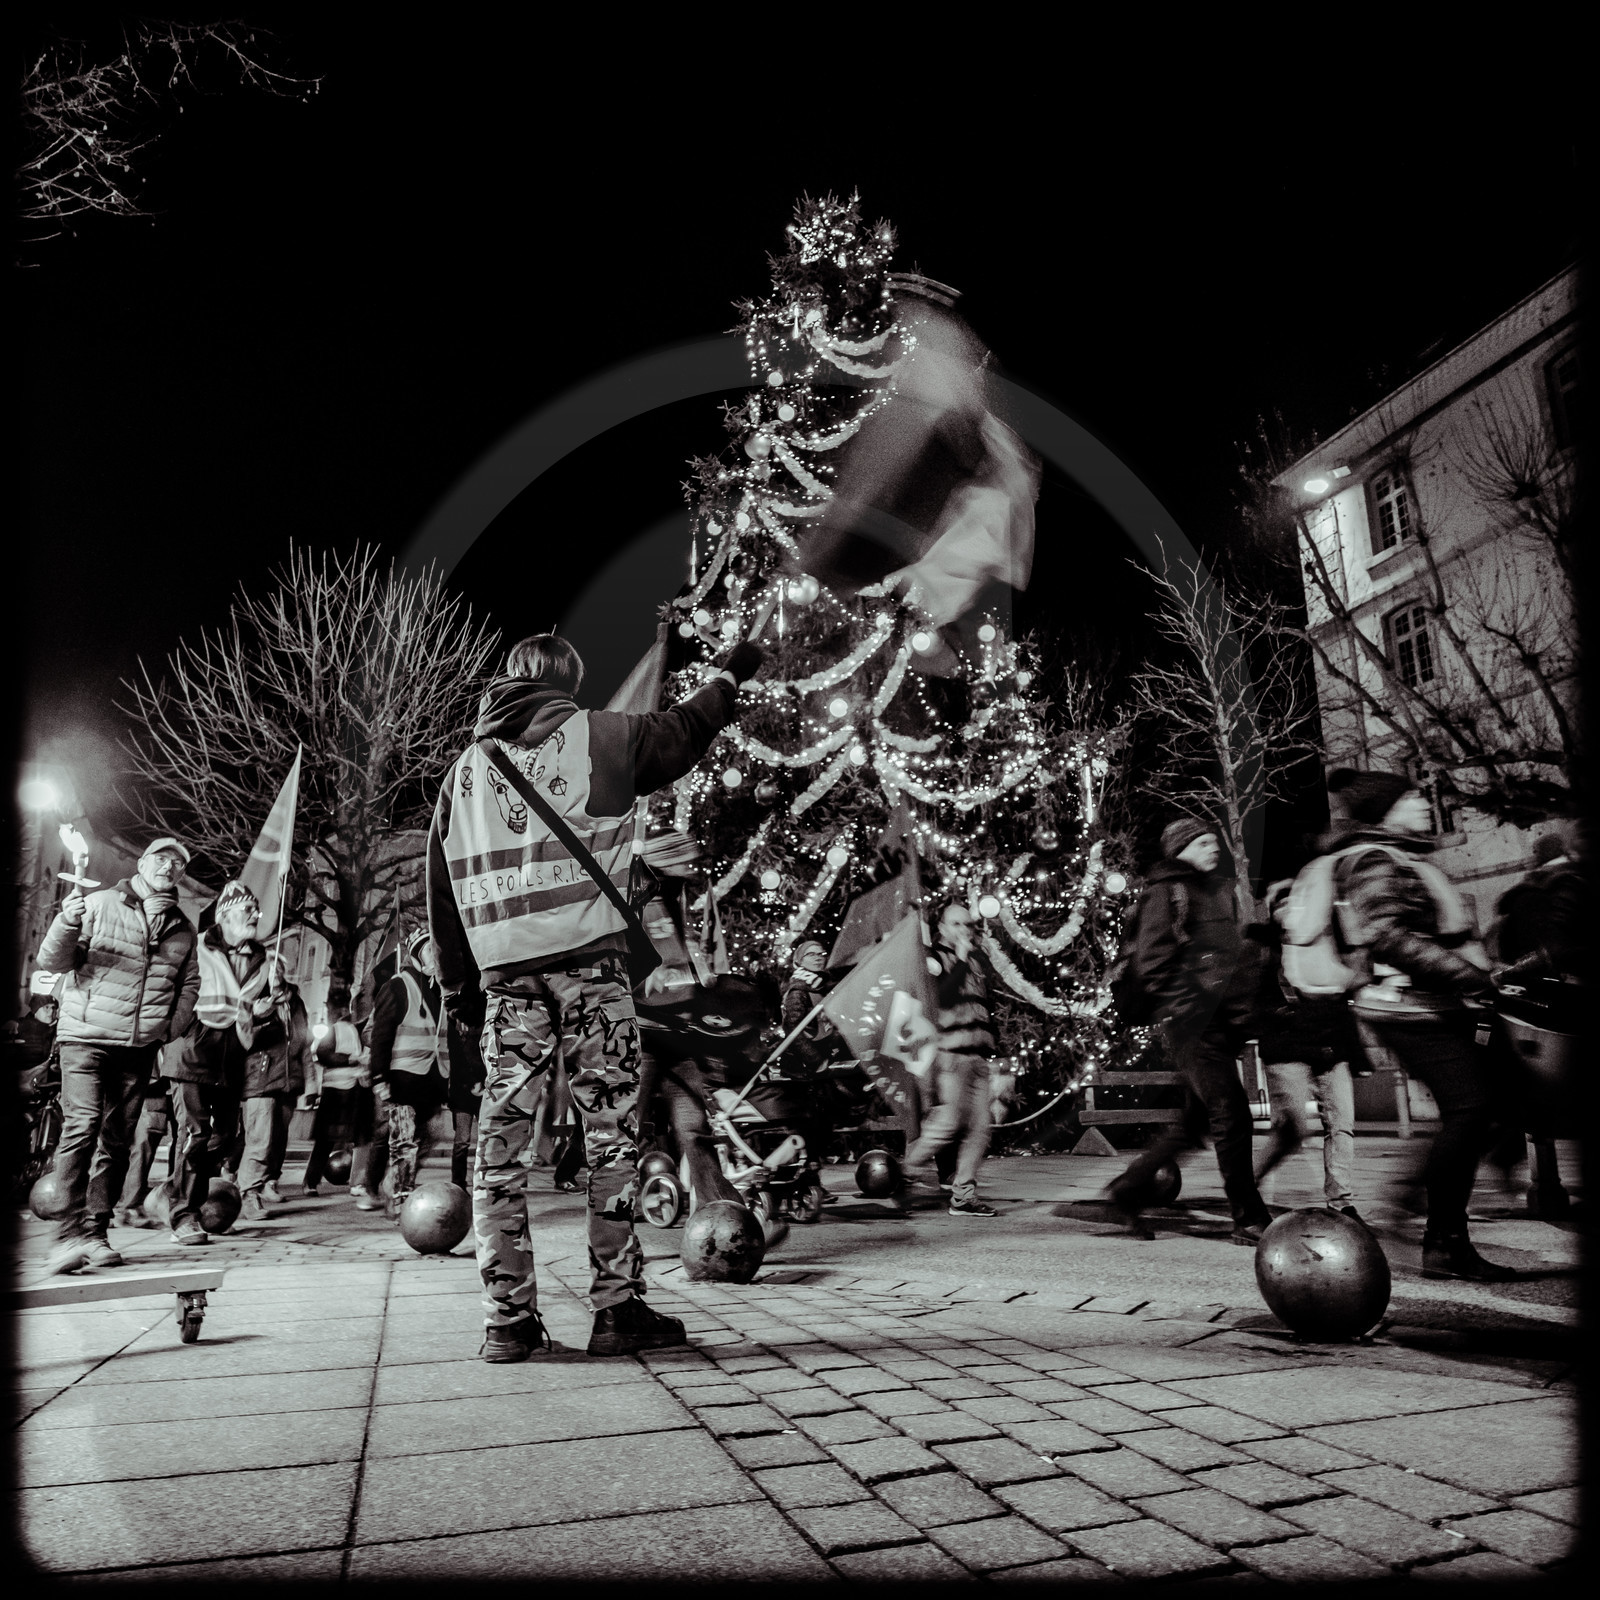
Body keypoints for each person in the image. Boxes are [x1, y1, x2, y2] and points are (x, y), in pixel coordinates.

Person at [428, 631, 761, 1361]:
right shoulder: (597, 737)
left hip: (506, 982)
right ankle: (616, 1310)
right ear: (569, 682)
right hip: (590, 973)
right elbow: (685, 731)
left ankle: (506, 1320)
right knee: (610, 1139)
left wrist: (461, 997)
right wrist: (733, 673)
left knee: (500, 1149)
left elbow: (442, 898)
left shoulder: (465, 771)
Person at [1326, 768, 1512, 1281]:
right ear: (1387, 809)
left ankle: (1420, 1216)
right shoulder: (1373, 860)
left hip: (1431, 1002)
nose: (1424, 804)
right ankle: (1439, 1238)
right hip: (1407, 1007)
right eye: (1412, 798)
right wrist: (1471, 977)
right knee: (1472, 1107)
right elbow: (1387, 935)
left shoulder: (1397, 857)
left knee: (1478, 1107)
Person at [35, 837, 200, 1274]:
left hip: (138, 1047)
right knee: (82, 1125)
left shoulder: (183, 926)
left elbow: (189, 985)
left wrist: (168, 1028)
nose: (169, 867)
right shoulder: (99, 904)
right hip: (86, 1037)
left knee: (117, 1141)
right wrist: (66, 924)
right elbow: (54, 960)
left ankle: (95, 1230)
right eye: (162, 859)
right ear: (143, 864)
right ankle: (66, 1234)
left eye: (177, 863)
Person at [1108, 820, 1273, 1244]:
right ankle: (1248, 1216)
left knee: (1194, 1123)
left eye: (1215, 841)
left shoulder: (1211, 890)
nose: (1213, 848)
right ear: (1180, 848)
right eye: (1203, 842)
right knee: (1231, 1112)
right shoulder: (1166, 890)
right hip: (1194, 1023)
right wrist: (1190, 1007)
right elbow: (1153, 962)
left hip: (1220, 1023)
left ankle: (1128, 1190)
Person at [160, 880, 274, 1247]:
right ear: (224, 916)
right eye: (246, 911)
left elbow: (243, 1007)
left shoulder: (263, 958)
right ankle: (184, 1216)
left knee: (224, 1137)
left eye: (255, 911)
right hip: (191, 1051)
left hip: (230, 1056)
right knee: (194, 1134)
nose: (254, 916)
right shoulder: (199, 946)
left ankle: (174, 1191)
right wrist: (178, 1031)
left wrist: (259, 1014)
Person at [1247, 880, 1363, 1220]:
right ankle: (1247, 1187)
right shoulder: (1261, 946)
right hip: (1286, 1048)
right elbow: (1252, 998)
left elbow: (1344, 998)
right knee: (1295, 1129)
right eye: (1281, 905)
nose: (1289, 910)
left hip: (1329, 1045)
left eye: (1294, 903)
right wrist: (1281, 1017)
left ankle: (1341, 1201)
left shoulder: (1324, 943)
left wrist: (1357, 1052)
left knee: (1341, 1122)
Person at [901, 901, 1000, 1218]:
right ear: (942, 927)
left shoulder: (974, 962)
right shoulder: (933, 959)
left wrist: (1000, 1054)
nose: (964, 931)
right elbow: (941, 999)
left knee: (981, 1129)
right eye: (956, 924)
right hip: (951, 1057)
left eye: (968, 925)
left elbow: (985, 1009)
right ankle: (906, 1171)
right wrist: (958, 959)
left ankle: (964, 1196)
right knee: (948, 1124)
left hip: (979, 1058)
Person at [367, 930, 449, 1214]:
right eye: (429, 950)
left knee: (429, 1136)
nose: (435, 957)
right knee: (404, 1141)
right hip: (402, 1080)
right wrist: (379, 1076)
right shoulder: (398, 986)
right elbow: (381, 1035)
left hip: (431, 1081)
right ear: (416, 954)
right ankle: (399, 1200)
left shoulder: (440, 989)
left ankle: (394, 1183)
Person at [236, 965, 311, 1221]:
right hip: (260, 1079)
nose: (275, 971)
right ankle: (248, 1194)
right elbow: (242, 1038)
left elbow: (305, 1042)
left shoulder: (295, 1001)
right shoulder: (252, 997)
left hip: (289, 1081)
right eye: (269, 967)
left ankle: (266, 1183)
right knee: (259, 1139)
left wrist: (309, 1083)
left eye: (278, 966)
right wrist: (257, 1016)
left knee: (277, 1139)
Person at [302, 997, 364, 1195]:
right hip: (336, 1092)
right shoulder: (338, 1029)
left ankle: (356, 1182)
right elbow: (322, 1053)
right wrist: (350, 1059)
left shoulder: (358, 1029)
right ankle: (311, 1181)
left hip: (354, 1088)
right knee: (326, 1141)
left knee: (358, 1139)